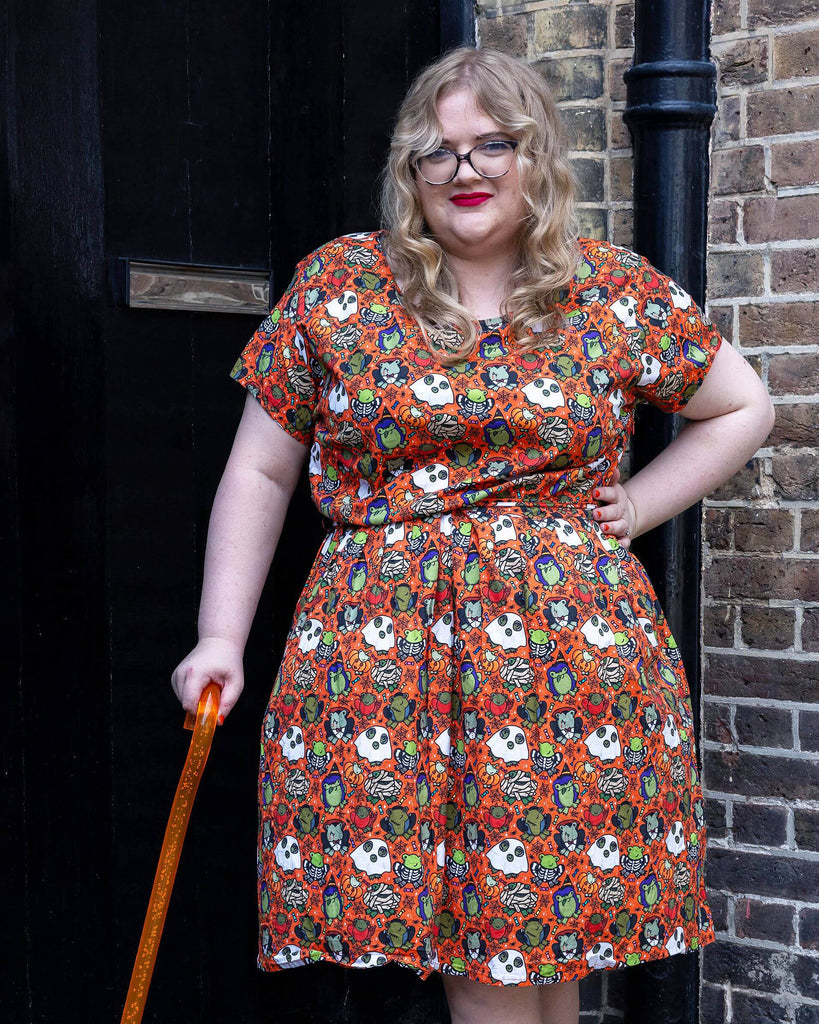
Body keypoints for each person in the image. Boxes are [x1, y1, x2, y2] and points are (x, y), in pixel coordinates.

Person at [172, 47, 773, 1024]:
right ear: (408, 170)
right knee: (483, 947)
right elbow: (261, 469)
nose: (465, 169)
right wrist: (218, 636)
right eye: (436, 150)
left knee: (552, 936)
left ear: (539, 158)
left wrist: (641, 503)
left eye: (495, 143)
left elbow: (744, 404)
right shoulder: (340, 284)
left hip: (571, 662)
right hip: (394, 661)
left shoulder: (608, 289)